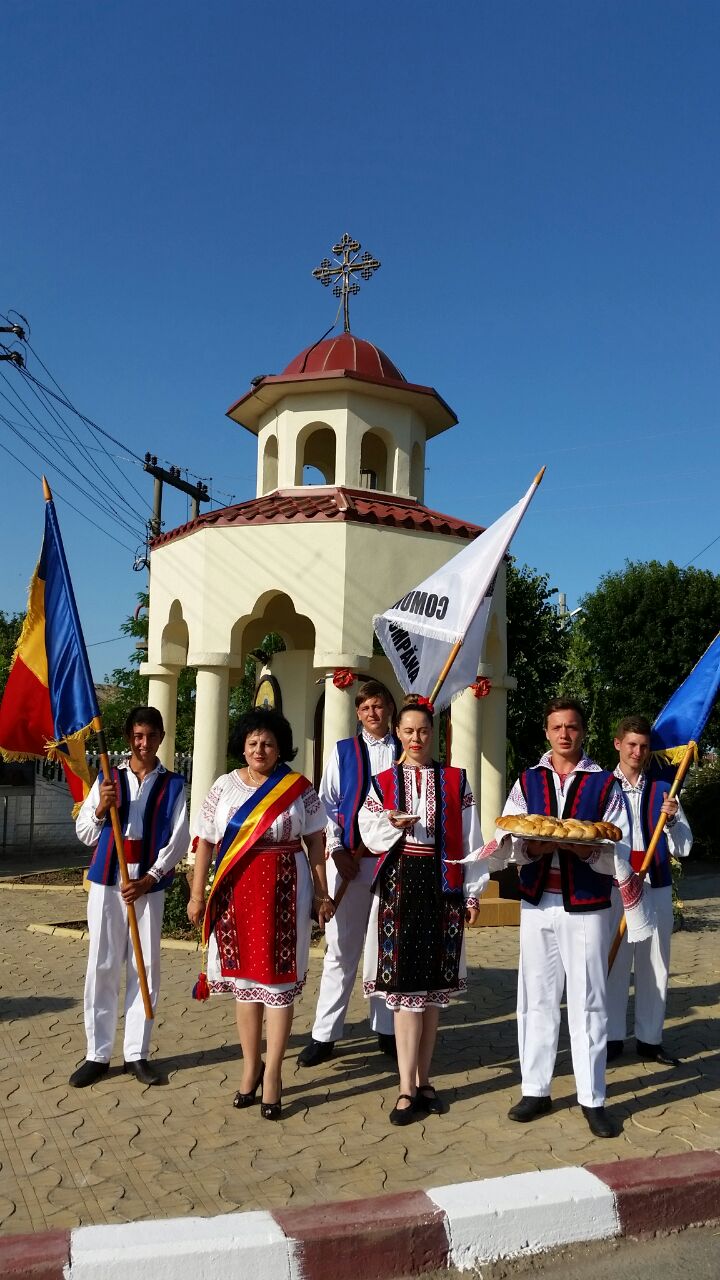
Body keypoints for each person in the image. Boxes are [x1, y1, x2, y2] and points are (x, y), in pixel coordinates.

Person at [187, 709, 333, 1120]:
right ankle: (250, 1066)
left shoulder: (297, 788)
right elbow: (206, 844)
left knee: (278, 982)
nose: (259, 750)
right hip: (237, 891)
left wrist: (323, 894)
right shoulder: (223, 787)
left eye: (267, 743)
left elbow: (317, 842)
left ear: (280, 747)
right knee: (246, 984)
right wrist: (197, 896)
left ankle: (274, 1074)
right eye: (252, 743)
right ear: (242, 746)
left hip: (286, 890)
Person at [499, 698, 630, 1139]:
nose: (564, 735)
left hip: (587, 907)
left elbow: (618, 844)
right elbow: (509, 835)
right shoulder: (527, 780)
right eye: (557, 727)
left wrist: (584, 847)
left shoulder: (604, 783)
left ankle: (593, 1097)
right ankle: (535, 1088)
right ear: (546, 731)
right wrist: (530, 848)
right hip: (538, 902)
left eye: (572, 727)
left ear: (582, 732)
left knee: (590, 1000)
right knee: (535, 997)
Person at [357, 695, 485, 1125]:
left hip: (443, 884)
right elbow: (367, 827)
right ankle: (405, 1088)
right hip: (400, 887)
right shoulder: (383, 781)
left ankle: (425, 1079)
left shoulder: (455, 780)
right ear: (397, 733)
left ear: (433, 734)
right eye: (409, 731)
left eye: (423, 731)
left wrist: (472, 892)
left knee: (431, 992)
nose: (416, 738)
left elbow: (472, 838)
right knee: (406, 991)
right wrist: (390, 824)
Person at [70, 707, 189, 1087]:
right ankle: (97, 1053)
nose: (144, 743)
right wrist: (103, 808)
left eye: (151, 736)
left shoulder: (173, 785)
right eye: (137, 736)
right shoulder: (108, 779)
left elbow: (180, 838)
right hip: (109, 880)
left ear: (160, 737)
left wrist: (151, 877)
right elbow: (85, 834)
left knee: (145, 967)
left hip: (147, 884)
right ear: (128, 738)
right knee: (102, 964)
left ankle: (137, 1053)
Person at [299, 679, 400, 1068]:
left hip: (394, 860)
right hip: (351, 862)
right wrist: (338, 849)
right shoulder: (343, 752)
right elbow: (327, 805)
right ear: (357, 713)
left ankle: (387, 1030)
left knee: (385, 946)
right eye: (366, 707)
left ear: (390, 708)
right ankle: (325, 1034)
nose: (373, 712)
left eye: (379, 705)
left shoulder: (405, 750)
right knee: (341, 949)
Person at [606, 715, 692, 1067]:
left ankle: (649, 1038)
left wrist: (671, 820)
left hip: (655, 883)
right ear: (618, 744)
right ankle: (610, 1038)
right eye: (631, 744)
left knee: (655, 964)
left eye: (643, 746)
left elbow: (685, 846)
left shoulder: (664, 790)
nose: (637, 752)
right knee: (613, 963)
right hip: (614, 886)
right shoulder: (600, 786)